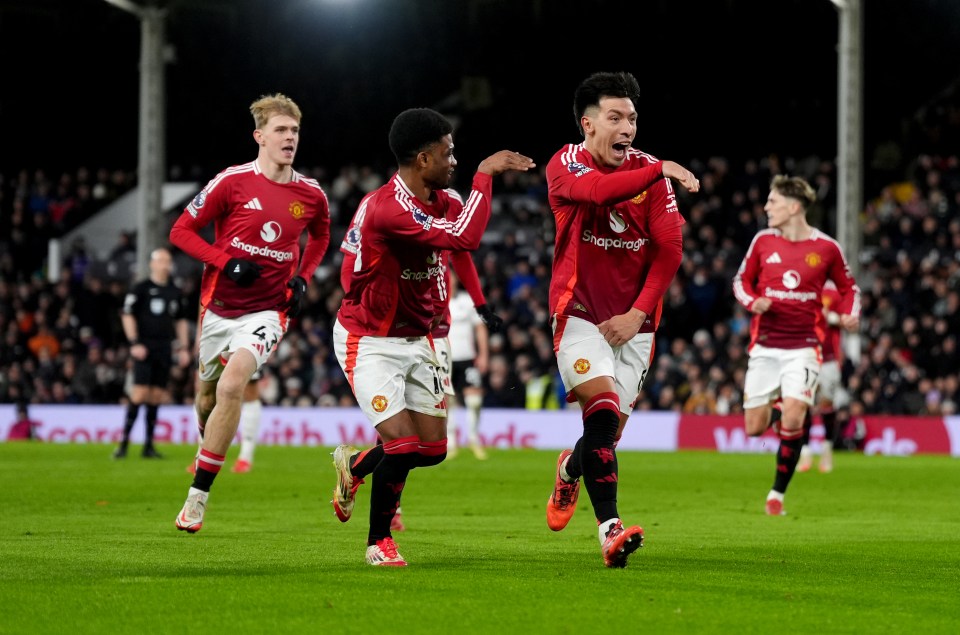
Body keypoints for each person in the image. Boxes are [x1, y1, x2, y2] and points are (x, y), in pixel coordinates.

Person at [329, 107, 534, 566]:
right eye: (449, 153)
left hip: (422, 337)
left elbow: (456, 248)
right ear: (423, 159)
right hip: (371, 339)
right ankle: (377, 541)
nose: (456, 161)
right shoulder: (388, 208)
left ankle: (356, 465)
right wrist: (486, 173)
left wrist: (478, 303)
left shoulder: (444, 201)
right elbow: (465, 239)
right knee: (402, 446)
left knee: (433, 450)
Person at [542, 71, 700, 568]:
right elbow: (596, 195)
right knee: (604, 412)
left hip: (637, 325)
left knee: (603, 438)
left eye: (632, 118)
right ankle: (610, 531)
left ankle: (570, 469)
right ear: (588, 125)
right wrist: (658, 171)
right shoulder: (564, 164)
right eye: (615, 117)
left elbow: (669, 249)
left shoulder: (650, 173)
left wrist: (636, 314)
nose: (627, 127)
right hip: (580, 312)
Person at [169, 92, 330, 533]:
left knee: (234, 382)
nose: (289, 137)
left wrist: (303, 278)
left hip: (268, 311)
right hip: (218, 308)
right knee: (207, 397)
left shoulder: (311, 193)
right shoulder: (231, 182)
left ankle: (197, 498)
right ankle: (210, 443)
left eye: (294, 131)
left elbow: (319, 237)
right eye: (281, 130)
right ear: (259, 136)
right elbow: (180, 231)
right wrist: (225, 262)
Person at [732, 174, 860, 516]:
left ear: (793, 206)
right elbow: (741, 281)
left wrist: (849, 314)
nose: (766, 207)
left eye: (772, 201)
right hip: (765, 346)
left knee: (794, 415)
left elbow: (850, 289)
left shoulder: (827, 248)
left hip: (805, 347)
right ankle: (783, 407)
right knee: (754, 427)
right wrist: (753, 301)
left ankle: (777, 494)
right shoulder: (762, 242)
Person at [113, 247, 190, 459]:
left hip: (164, 347)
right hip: (144, 347)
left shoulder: (174, 291)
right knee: (139, 393)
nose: (165, 264)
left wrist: (183, 347)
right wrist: (134, 342)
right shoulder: (141, 288)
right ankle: (123, 444)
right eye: (161, 260)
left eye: (168, 260)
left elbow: (181, 320)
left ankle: (148, 446)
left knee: (157, 395)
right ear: (152, 264)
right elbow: (127, 315)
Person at [443, 267, 501, 459]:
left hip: (467, 358)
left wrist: (483, 355)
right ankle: (451, 443)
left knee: (474, 400)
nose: (450, 281)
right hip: (445, 359)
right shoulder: (437, 301)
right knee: (447, 401)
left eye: (452, 278)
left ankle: (474, 439)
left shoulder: (467, 301)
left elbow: (480, 329)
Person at [797, 280, 848, 473]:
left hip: (828, 360)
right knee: (804, 404)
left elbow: (848, 319)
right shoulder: (802, 291)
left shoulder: (834, 293)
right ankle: (805, 452)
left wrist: (832, 317)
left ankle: (827, 450)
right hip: (806, 356)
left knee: (826, 405)